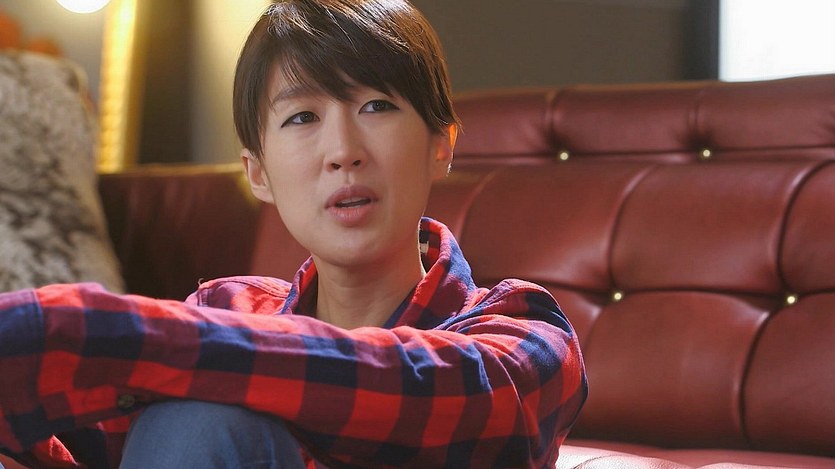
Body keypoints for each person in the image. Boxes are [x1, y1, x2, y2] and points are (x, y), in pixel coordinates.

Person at [0, 0, 587, 467]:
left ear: (442, 144)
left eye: (376, 106)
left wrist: (110, 333)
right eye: (302, 117)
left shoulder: (522, 331)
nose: (343, 151)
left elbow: (440, 395)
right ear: (258, 173)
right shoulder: (225, 308)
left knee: (201, 417)